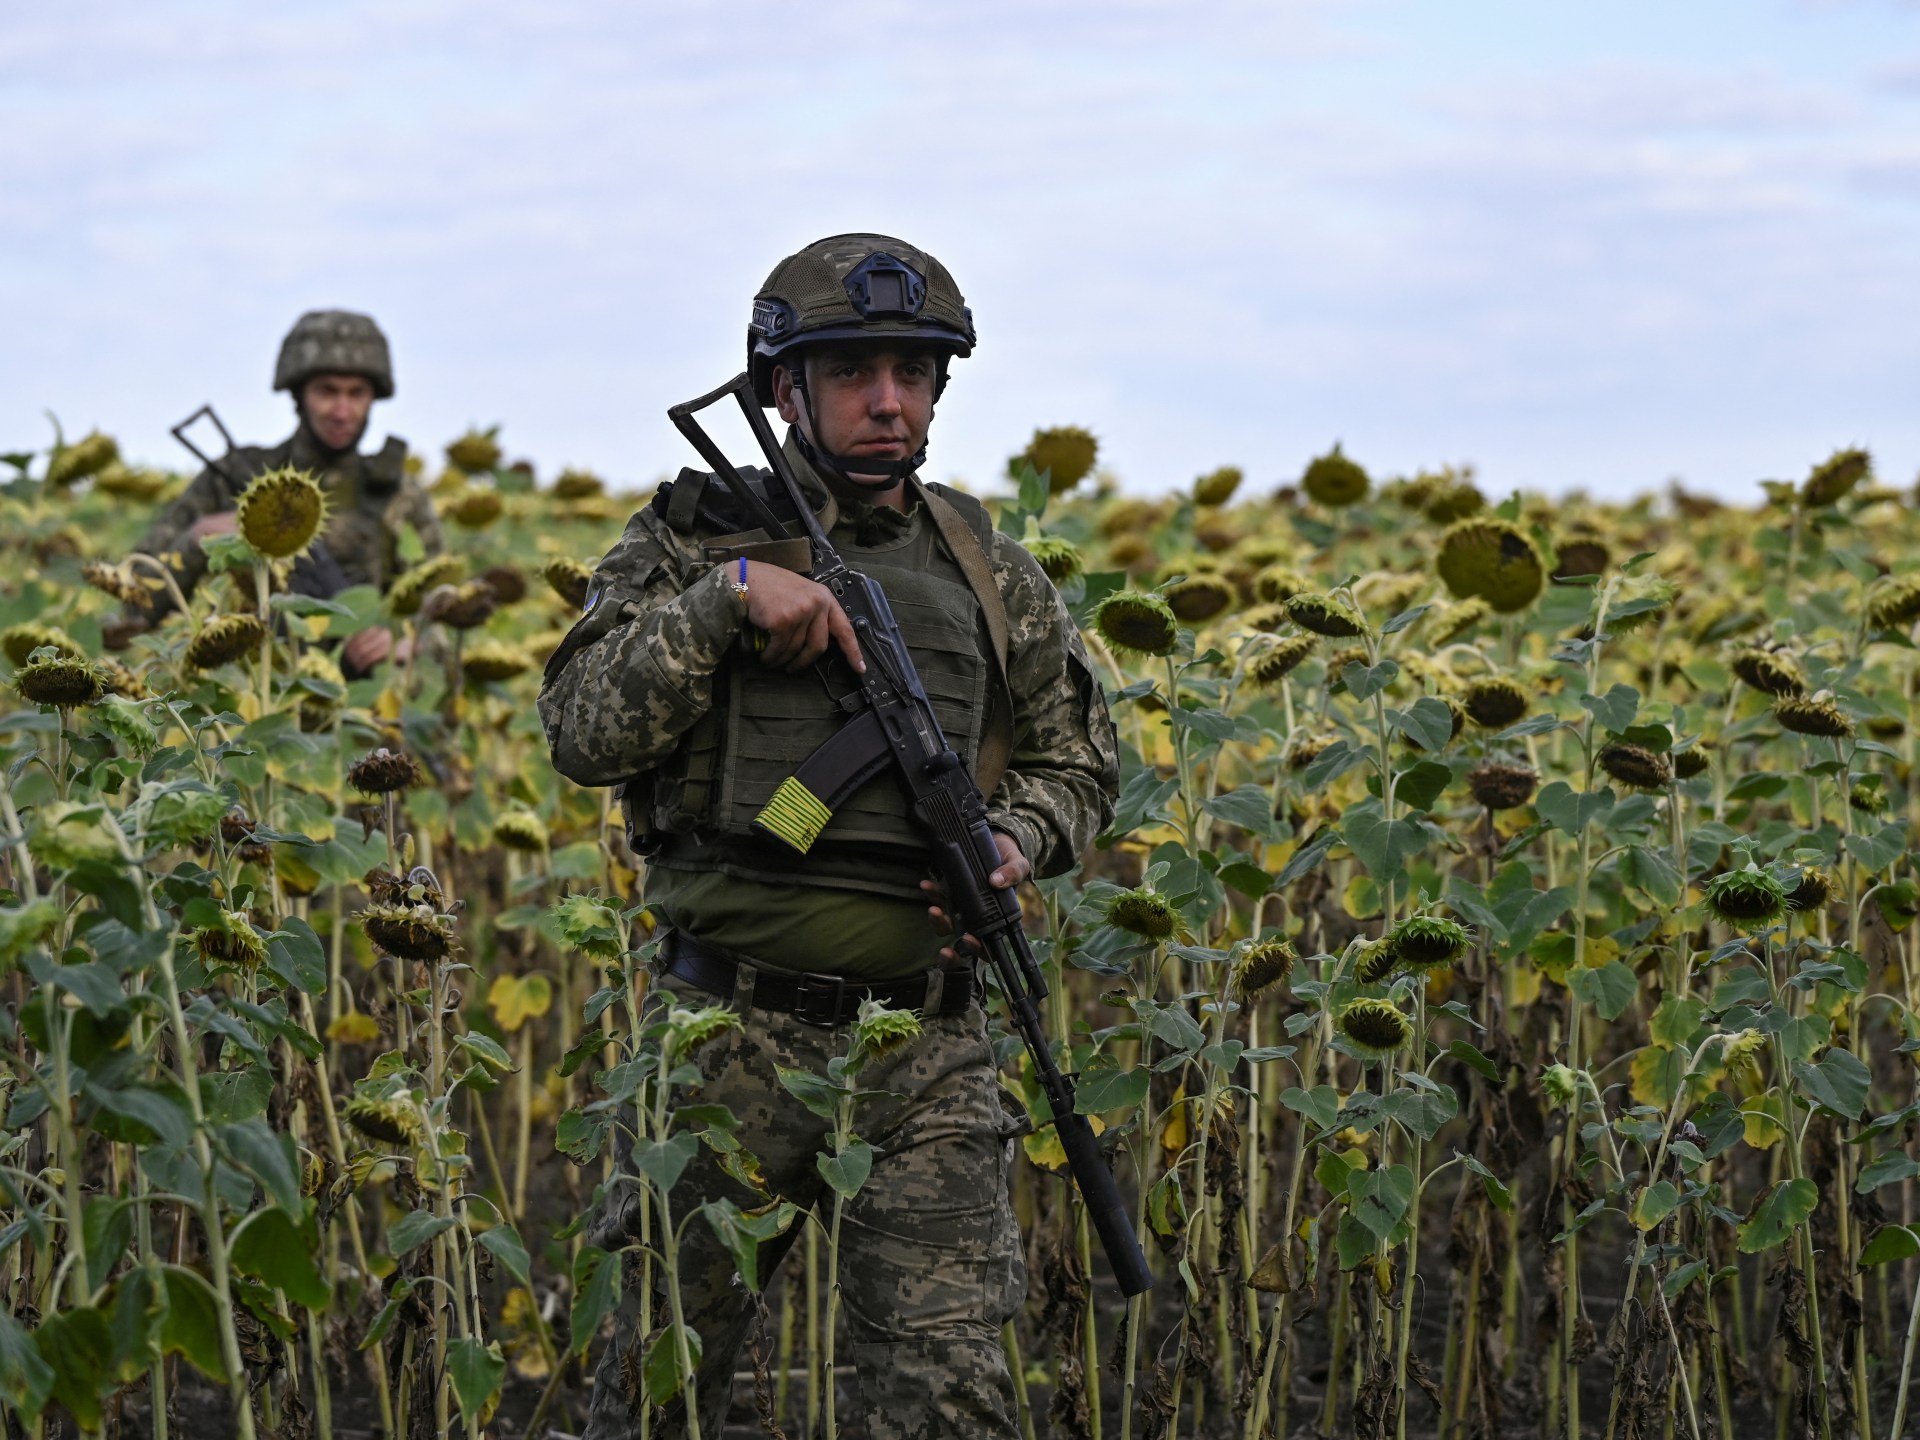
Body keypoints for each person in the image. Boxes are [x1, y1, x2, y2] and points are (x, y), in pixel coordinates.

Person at [537, 234, 1119, 1439]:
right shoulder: (690, 542)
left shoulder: (989, 573)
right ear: (784, 390)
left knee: (949, 1401)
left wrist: (1016, 837)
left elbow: (1080, 761)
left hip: (928, 1045)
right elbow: (585, 732)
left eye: (912, 371)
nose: (888, 401)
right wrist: (725, 603)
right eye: (854, 371)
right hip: (725, 1041)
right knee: (654, 1395)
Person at [106, 309, 443, 672]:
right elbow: (135, 607)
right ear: (299, 395)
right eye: (327, 392)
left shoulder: (399, 496)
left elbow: (442, 609)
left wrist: (410, 640)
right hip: (247, 697)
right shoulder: (233, 477)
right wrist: (197, 540)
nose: (342, 411)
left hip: (361, 708)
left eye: (356, 393)